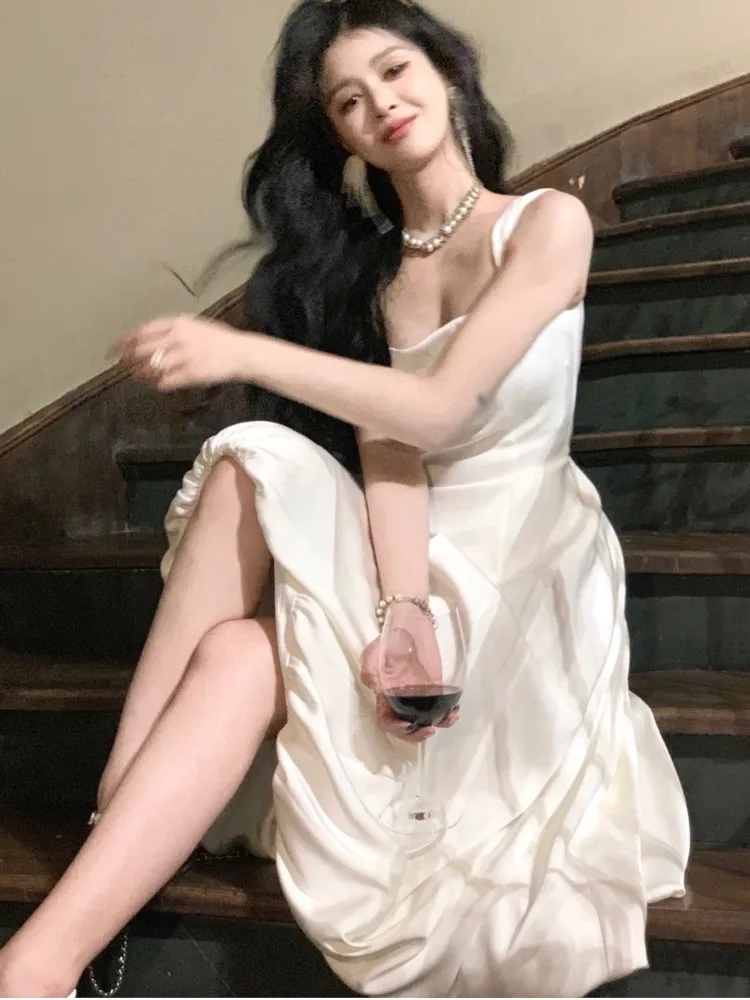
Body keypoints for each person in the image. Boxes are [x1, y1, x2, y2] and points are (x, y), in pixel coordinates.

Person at [0, 1, 690, 997]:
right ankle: (46, 949)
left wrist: (242, 351)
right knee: (248, 494)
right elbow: (392, 455)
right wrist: (405, 610)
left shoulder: (547, 223)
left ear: (446, 70)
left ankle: (84, 886)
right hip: (411, 550)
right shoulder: (381, 280)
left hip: (522, 572)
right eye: (349, 101)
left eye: (396, 71)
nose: (383, 105)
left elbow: (441, 408)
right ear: (340, 136)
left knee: (250, 567)